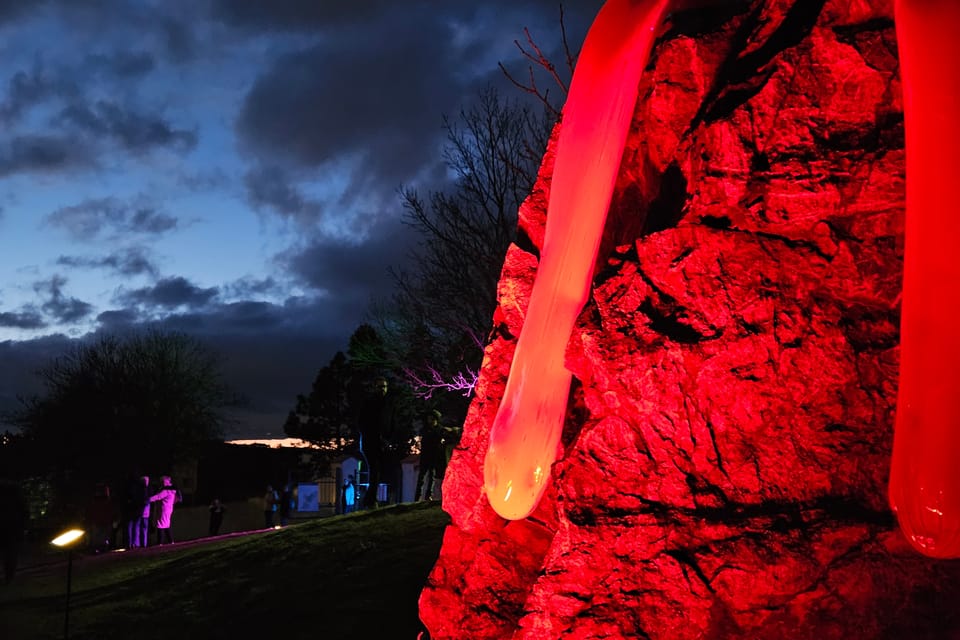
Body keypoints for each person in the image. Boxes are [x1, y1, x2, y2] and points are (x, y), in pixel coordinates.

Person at [358, 376, 397, 508]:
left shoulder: (389, 404)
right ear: (375, 387)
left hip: (382, 443)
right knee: (375, 470)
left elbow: (391, 423)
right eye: (380, 386)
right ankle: (371, 500)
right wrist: (372, 435)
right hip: (370, 443)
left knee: (379, 471)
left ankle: (369, 500)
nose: (382, 389)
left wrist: (389, 439)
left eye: (384, 386)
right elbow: (362, 423)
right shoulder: (368, 403)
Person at [0, 480, 28, 584]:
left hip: (8, 528)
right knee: (11, 553)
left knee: (9, 553)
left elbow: (24, 511)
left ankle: (9, 576)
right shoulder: (17, 496)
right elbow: (24, 511)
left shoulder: (6, 496)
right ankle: (9, 576)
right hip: (13, 528)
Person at [416, 410, 445, 501]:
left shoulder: (439, 430)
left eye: (432, 419)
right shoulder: (425, 430)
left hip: (434, 456)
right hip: (425, 455)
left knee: (431, 476)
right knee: (422, 477)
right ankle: (418, 496)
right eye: (429, 419)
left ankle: (428, 496)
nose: (430, 421)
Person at [148, 476, 179, 545]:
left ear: (168, 481)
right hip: (168, 509)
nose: (162, 483)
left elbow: (158, 496)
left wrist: (148, 499)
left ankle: (160, 543)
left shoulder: (167, 490)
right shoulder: (172, 490)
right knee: (166, 525)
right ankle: (171, 541)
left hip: (164, 509)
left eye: (163, 481)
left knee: (160, 525)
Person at [128, 475, 151, 549]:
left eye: (147, 481)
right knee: (139, 526)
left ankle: (142, 544)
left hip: (143, 511)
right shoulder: (144, 489)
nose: (146, 482)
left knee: (140, 527)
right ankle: (138, 544)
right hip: (141, 510)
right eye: (145, 481)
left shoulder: (144, 489)